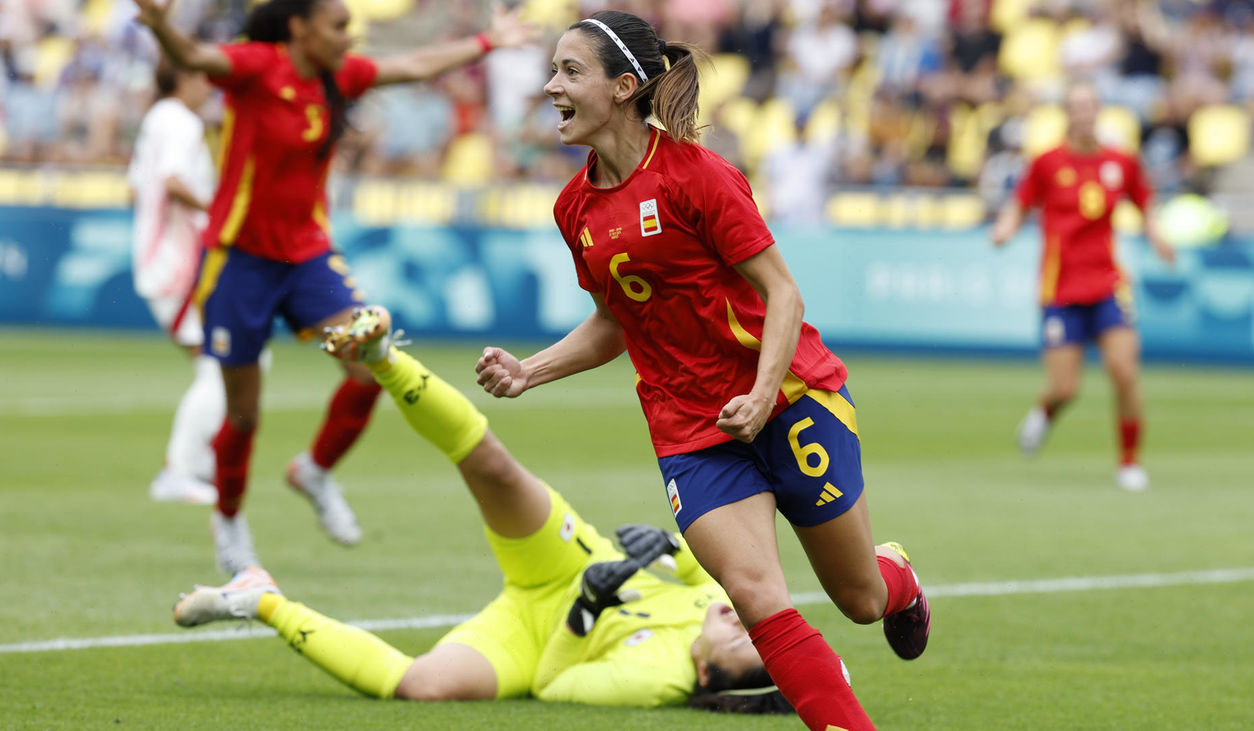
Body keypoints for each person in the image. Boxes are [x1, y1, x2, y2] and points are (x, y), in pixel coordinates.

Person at [474, 12, 930, 730]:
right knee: (755, 594)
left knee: (860, 600)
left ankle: (897, 576)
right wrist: (529, 371)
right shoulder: (574, 209)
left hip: (788, 398)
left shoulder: (698, 176)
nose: (549, 86)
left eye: (569, 72)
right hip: (690, 428)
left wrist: (758, 392)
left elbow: (784, 292)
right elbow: (614, 322)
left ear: (624, 87)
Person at [172, 306, 796, 716]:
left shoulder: (656, 681)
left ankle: (258, 598)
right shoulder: (720, 604)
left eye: (743, 643)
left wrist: (583, 615)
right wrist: (664, 544)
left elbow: (552, 684)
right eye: (757, 630)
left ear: (708, 676)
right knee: (492, 465)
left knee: (422, 686)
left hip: (533, 638)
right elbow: (698, 567)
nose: (745, 622)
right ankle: (385, 356)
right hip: (568, 560)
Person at [131, 0, 534, 572]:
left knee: (370, 362)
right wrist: (160, 25)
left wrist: (487, 43)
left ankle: (314, 471)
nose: (351, 36)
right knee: (243, 413)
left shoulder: (340, 76)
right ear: (300, 28)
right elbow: (193, 55)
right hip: (238, 261)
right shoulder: (256, 66)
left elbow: (416, 64)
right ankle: (229, 522)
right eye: (339, 25)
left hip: (308, 259)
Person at [991, 81, 1176, 492]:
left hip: (1108, 283)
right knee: (1065, 387)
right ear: (1067, 113)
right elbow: (1020, 202)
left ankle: (1129, 461)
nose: (1084, 113)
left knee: (1124, 370)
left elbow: (1144, 203)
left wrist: (1159, 236)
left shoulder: (1121, 162)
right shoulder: (1047, 163)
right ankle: (1044, 412)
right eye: (1076, 106)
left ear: (1099, 110)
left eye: (1090, 106)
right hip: (1061, 288)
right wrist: (1005, 228)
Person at [127, 57, 222, 506]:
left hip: (162, 258)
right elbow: (173, 181)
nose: (210, 86)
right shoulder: (181, 121)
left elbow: (136, 187)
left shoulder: (156, 119)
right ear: (185, 77)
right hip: (179, 264)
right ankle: (180, 471)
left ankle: (197, 464)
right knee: (221, 366)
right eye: (204, 77)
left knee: (231, 362)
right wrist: (218, 213)